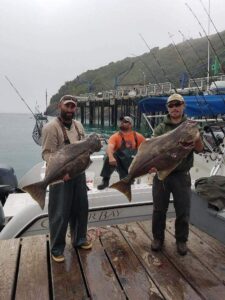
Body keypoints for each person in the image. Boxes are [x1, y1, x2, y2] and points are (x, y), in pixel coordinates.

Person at [150, 93, 204, 256]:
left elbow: (199, 149)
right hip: (162, 175)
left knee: (183, 210)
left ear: (183, 106)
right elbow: (153, 148)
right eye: (171, 105)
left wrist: (197, 139)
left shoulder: (192, 125)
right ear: (167, 108)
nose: (174, 108)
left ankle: (181, 240)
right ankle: (158, 238)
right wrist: (152, 165)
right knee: (159, 209)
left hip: (181, 175)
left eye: (177, 104)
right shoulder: (161, 127)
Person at [42, 95, 92, 263]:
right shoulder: (51, 128)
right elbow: (47, 153)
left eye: (73, 107)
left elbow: (84, 148)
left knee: (81, 208)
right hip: (60, 177)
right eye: (67, 106)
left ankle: (79, 240)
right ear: (60, 106)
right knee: (60, 213)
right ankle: (56, 248)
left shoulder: (79, 126)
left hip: (79, 174)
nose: (70, 110)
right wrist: (60, 170)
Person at [97, 116, 145, 190]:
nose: (122, 123)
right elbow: (110, 147)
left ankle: (128, 180)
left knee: (127, 183)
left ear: (131, 125)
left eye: (125, 122)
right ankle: (105, 180)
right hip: (118, 162)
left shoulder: (138, 137)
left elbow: (145, 149)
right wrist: (111, 157)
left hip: (132, 163)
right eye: (121, 121)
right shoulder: (115, 136)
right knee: (109, 155)